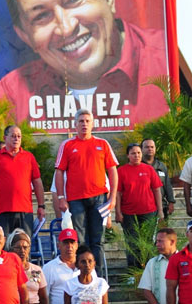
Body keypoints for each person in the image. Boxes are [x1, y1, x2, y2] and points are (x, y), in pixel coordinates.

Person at [0, 0, 167, 126]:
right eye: (41, 16)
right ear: (25, 36)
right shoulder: (10, 97)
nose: (66, 28)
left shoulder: (168, 61)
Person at [54, 109, 118, 276]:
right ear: (75, 124)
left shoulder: (103, 144)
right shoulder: (67, 145)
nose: (84, 124)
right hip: (75, 200)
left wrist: (112, 198)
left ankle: (99, 278)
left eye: (87, 121)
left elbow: (112, 171)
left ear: (93, 123)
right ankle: (81, 277)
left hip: (100, 199)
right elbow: (59, 172)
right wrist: (61, 197)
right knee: (80, 241)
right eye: (81, 121)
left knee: (98, 241)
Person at [0, 125, 45, 236]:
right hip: (2, 210)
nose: (16, 139)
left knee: (24, 245)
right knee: (4, 246)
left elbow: (37, 182)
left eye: (19, 136)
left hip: (25, 211)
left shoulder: (29, 157)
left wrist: (41, 206)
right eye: (13, 136)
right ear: (5, 138)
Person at [115, 143, 163, 268]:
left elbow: (157, 190)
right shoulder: (121, 171)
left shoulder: (149, 169)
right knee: (132, 243)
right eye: (133, 153)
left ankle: (148, 269)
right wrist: (118, 212)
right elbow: (118, 193)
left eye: (138, 153)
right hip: (128, 213)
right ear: (128, 156)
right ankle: (133, 270)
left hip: (149, 211)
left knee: (147, 242)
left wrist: (160, 210)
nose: (136, 155)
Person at [7, 229, 48, 304]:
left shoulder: (35, 270)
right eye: (18, 248)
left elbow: (43, 297)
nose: (22, 250)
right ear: (11, 249)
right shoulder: (7, 270)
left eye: (25, 247)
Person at [138, 228, 178, 304]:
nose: (157, 244)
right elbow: (146, 290)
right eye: (157, 241)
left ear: (172, 242)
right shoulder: (152, 262)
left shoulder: (184, 262)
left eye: (160, 241)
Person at [141, 139, 175, 218]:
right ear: (142, 149)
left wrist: (171, 202)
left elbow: (167, 185)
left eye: (152, 147)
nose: (150, 149)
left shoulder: (161, 166)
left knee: (162, 229)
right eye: (147, 147)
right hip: (143, 208)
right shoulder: (138, 166)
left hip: (161, 206)